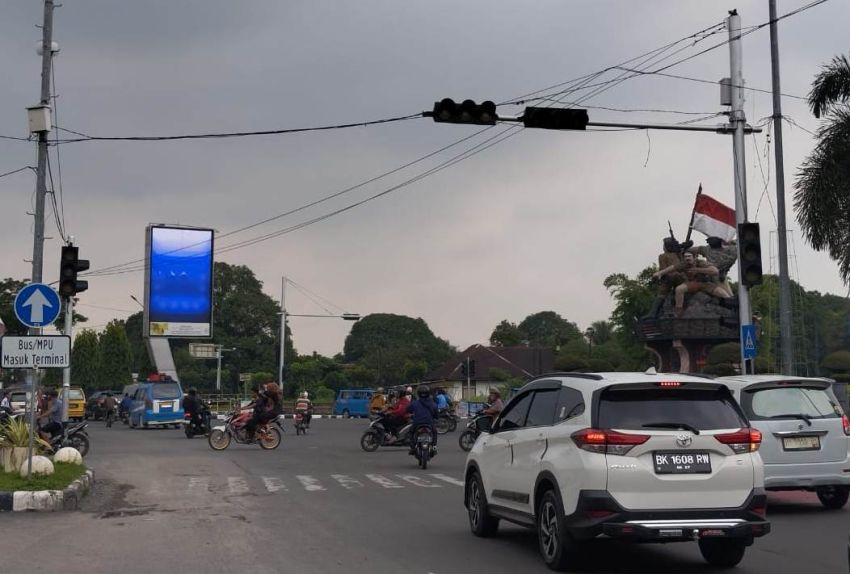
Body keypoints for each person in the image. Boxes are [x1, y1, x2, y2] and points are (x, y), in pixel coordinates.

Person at [407, 384, 438, 454]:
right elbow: (436, 413)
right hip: (429, 423)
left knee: (411, 432)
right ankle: (434, 446)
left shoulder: (415, 403)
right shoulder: (432, 403)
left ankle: (412, 447)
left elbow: (408, 409)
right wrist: (436, 417)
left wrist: (410, 412)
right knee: (434, 432)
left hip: (417, 423)